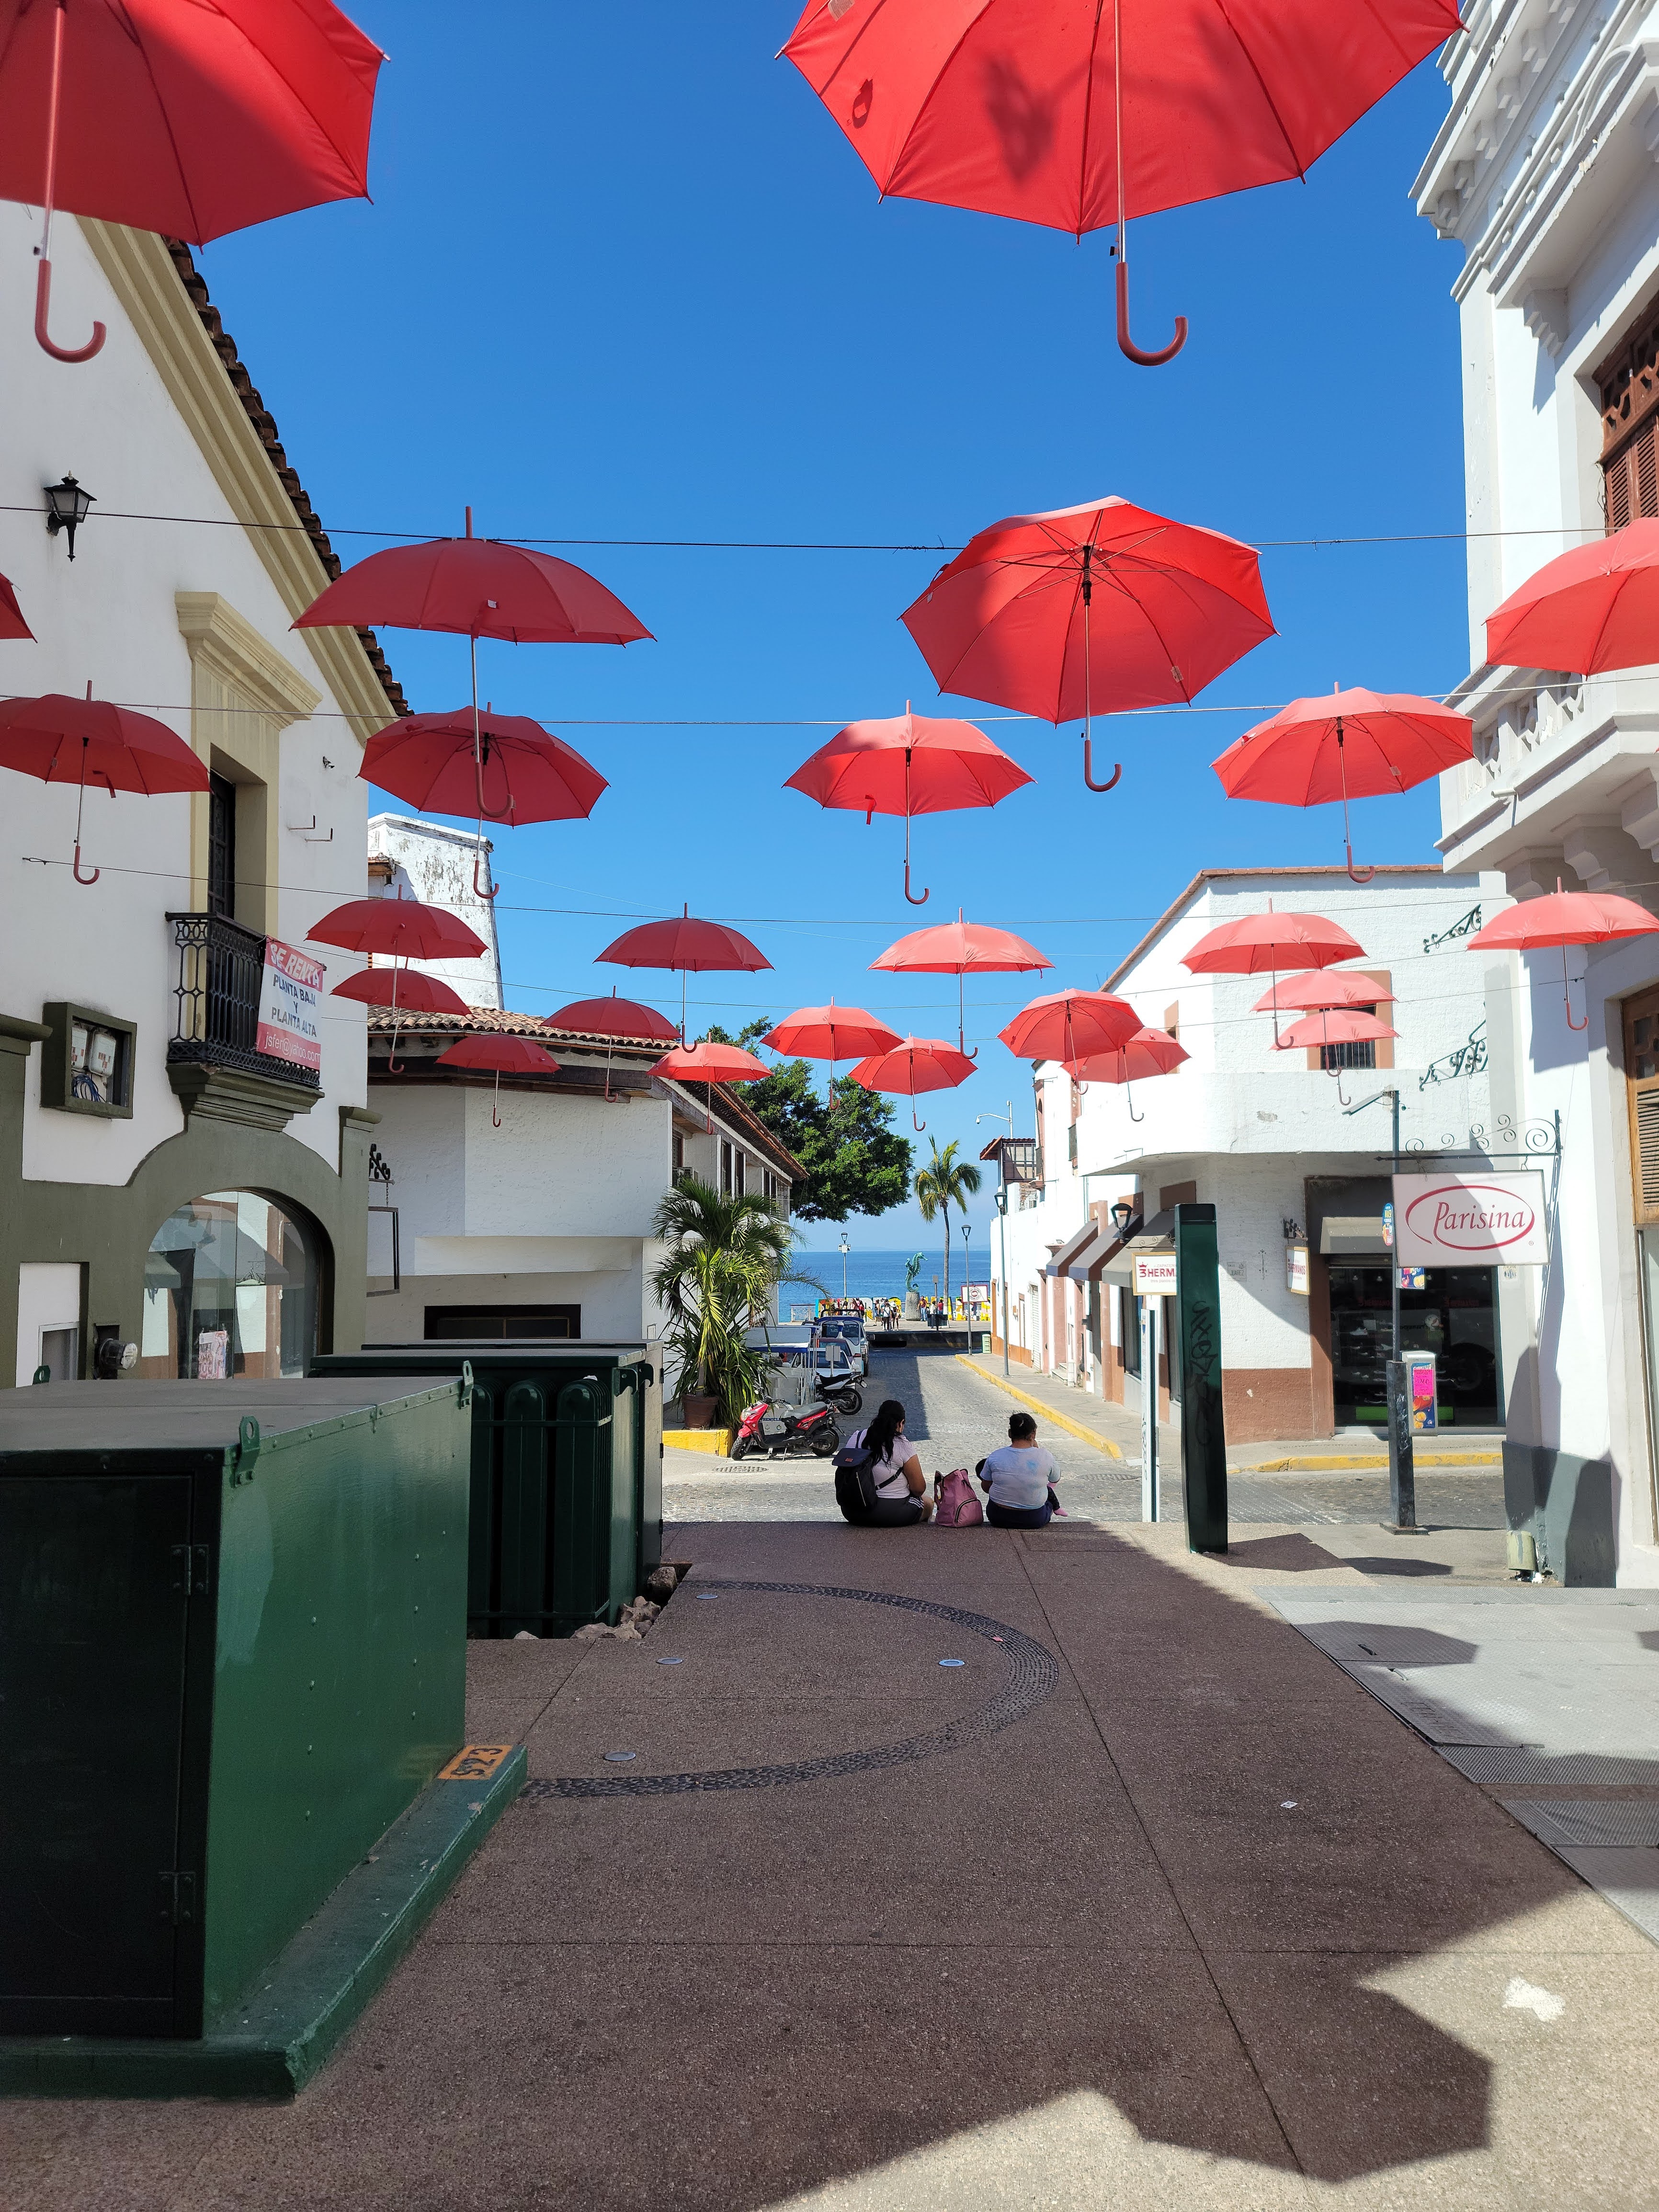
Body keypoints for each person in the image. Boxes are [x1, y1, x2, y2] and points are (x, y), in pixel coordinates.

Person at [839, 1398, 932, 1527]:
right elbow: (919, 1488)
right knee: (928, 1503)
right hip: (891, 1513)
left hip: (853, 1511)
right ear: (901, 1423)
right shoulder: (903, 1444)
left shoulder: (858, 1437)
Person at [976, 1412, 1061, 1529]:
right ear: (1034, 1434)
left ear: (1010, 1434)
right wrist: (1036, 1450)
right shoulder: (1045, 1456)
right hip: (1034, 1519)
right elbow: (1055, 1479)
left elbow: (986, 1488)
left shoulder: (995, 1456)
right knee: (1049, 1501)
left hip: (997, 1517)